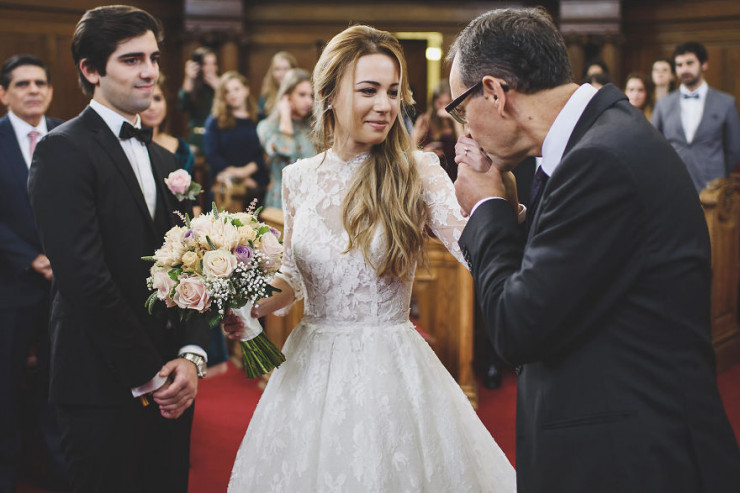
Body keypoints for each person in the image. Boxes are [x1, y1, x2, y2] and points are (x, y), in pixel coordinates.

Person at [449, 7, 740, 492]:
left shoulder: (599, 159)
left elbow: (517, 327)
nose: (466, 130)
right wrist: (513, 216)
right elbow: (567, 280)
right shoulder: (598, 139)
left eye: (461, 109)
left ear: (495, 93)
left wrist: (486, 207)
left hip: (631, 460)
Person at [224, 25, 516, 492]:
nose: (385, 105)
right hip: (310, 368)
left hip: (388, 370)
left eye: (393, 92)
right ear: (329, 94)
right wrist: (249, 303)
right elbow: (294, 278)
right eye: (369, 90)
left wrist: (495, 188)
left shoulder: (416, 170)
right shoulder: (299, 178)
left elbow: (476, 251)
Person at [27, 6, 209, 492]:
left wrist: (190, 355)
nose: (149, 71)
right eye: (131, 60)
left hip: (173, 379)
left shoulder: (168, 160)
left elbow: (195, 265)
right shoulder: (61, 150)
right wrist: (150, 374)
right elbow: (83, 277)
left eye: (153, 58)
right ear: (91, 70)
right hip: (101, 380)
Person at [0, 54, 67, 493]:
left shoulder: (66, 136)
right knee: (5, 389)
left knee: (58, 385)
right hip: (11, 284)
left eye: (40, 83)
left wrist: (63, 257)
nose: (33, 90)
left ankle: (60, 475)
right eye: (22, 84)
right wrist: (31, 258)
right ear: (3, 94)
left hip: (65, 286)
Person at [652, 41, 740, 193]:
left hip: (713, 187)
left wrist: (718, 174)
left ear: (704, 64)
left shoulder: (726, 103)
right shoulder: (663, 104)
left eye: (690, 63)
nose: (684, 69)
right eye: (679, 65)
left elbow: (733, 148)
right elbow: (655, 144)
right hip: (673, 184)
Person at [204, 71, 268, 209]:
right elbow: (211, 154)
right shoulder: (215, 121)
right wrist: (237, 175)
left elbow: (265, 152)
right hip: (224, 182)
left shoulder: (261, 119)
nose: (232, 94)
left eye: (236, 89)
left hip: (255, 181)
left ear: (246, 90)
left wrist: (246, 172)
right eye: (227, 91)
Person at [256, 67, 315, 209]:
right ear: (286, 96)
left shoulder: (312, 127)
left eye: (311, 96)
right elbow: (286, 149)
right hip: (282, 199)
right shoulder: (267, 126)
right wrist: (285, 118)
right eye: (302, 95)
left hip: (311, 197)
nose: (309, 101)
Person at [412, 79, 463, 180]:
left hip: (456, 174)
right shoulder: (425, 120)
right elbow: (412, 149)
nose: (444, 108)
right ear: (434, 103)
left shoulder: (461, 120)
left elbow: (465, 147)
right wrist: (425, 153)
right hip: (432, 175)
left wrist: (454, 121)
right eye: (440, 103)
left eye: (447, 103)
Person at [178, 46, 218, 151]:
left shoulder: (221, 85)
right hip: (197, 137)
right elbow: (183, 105)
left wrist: (219, 88)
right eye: (206, 64)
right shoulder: (192, 86)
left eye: (213, 64)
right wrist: (189, 78)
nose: (210, 68)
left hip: (218, 136)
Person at [257, 51, 297, 120]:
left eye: (286, 69)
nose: (281, 73)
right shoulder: (265, 96)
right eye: (277, 69)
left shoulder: (301, 93)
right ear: (271, 72)